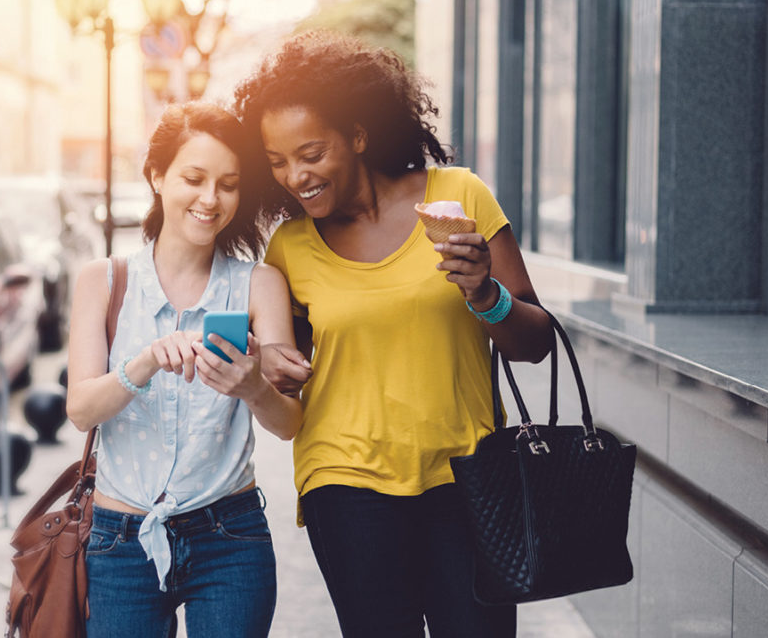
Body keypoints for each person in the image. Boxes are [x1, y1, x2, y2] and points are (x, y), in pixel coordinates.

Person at [234, 31, 554, 637]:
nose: (295, 176)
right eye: (277, 162)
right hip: (344, 483)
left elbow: (534, 345)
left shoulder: (459, 197)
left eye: (310, 153)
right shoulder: (290, 247)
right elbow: (286, 381)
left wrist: (485, 295)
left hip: (469, 477)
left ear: (358, 135)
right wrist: (270, 366)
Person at [65, 101, 302, 638]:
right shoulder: (103, 281)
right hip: (120, 544)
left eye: (228, 184)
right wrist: (145, 362)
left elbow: (289, 423)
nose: (210, 199)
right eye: (193, 179)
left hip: (229, 537)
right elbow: (81, 411)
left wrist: (254, 387)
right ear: (157, 176)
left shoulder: (259, 284)